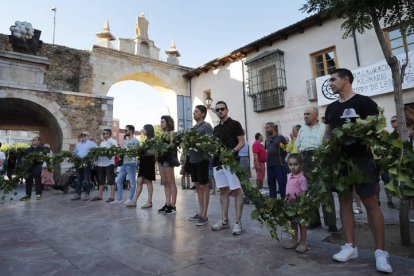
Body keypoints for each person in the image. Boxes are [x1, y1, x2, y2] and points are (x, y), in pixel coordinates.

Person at [324, 68, 392, 273]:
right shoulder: (331, 108)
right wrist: (325, 153)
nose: (330, 83)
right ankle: (350, 247)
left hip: (362, 160)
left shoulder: (365, 102)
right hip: (340, 162)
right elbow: (327, 134)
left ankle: (381, 253)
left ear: (346, 80)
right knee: (344, 202)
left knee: (371, 203)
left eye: (333, 79)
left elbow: (377, 129)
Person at [296, 107, 338, 232]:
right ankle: (314, 221)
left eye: (308, 114)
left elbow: (329, 144)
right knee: (308, 191)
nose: (305, 116)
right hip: (305, 159)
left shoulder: (324, 127)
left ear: (316, 115)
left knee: (324, 190)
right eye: (304, 114)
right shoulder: (302, 129)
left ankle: (331, 223)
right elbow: (298, 145)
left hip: (320, 158)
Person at [211, 101, 245, 235]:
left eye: (222, 109)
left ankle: (238, 222)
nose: (220, 111)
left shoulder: (235, 124)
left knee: (237, 192)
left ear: (227, 110)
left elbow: (241, 142)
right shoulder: (216, 129)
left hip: (231, 162)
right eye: (217, 110)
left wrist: (232, 152)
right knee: (223, 191)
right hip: (217, 163)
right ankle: (224, 221)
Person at [187, 105, 213, 226]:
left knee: (204, 186)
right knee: (198, 186)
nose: (194, 113)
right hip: (193, 160)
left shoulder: (206, 126)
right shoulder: (193, 127)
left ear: (203, 114)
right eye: (194, 112)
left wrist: (196, 141)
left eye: (196, 112)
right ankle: (200, 211)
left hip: (202, 159)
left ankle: (204, 215)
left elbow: (209, 142)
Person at [283, 153, 308, 253]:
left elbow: (303, 193)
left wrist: (301, 205)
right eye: (290, 164)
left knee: (302, 224)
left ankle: (303, 242)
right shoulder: (288, 176)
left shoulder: (302, 179)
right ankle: (294, 240)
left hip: (299, 205)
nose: (293, 167)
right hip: (290, 205)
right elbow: (288, 190)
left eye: (295, 164)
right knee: (293, 223)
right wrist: (286, 200)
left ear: (301, 165)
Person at [127, 124, 156, 209]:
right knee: (139, 181)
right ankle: (134, 201)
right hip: (144, 162)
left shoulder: (153, 140)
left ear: (148, 130)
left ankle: (149, 202)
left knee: (148, 181)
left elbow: (154, 152)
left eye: (144, 129)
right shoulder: (147, 140)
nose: (142, 130)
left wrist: (143, 153)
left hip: (149, 162)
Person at [114, 125, 140, 205]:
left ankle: (130, 199)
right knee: (118, 180)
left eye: (126, 130)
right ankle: (119, 199)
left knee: (132, 182)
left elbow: (137, 152)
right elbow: (123, 151)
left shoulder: (136, 141)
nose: (125, 132)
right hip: (124, 163)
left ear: (131, 131)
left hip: (131, 163)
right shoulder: (125, 141)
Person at [157, 116, 178, 215]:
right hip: (161, 159)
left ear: (168, 123)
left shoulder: (172, 133)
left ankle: (173, 206)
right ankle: (167, 203)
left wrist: (165, 147)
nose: (161, 124)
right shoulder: (162, 134)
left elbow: (173, 146)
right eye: (160, 122)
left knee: (171, 182)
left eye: (163, 122)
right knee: (165, 182)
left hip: (168, 159)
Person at [92, 129, 118, 202]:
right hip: (100, 164)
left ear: (109, 134)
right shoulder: (102, 143)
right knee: (101, 180)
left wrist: (106, 152)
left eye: (104, 133)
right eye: (102, 134)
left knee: (111, 180)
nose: (103, 135)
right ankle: (100, 196)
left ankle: (112, 196)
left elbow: (115, 151)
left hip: (109, 163)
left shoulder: (113, 141)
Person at [71, 131, 98, 201]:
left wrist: (92, 157)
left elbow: (97, 150)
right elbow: (75, 152)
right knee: (79, 178)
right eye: (82, 135)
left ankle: (87, 194)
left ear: (88, 136)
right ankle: (78, 194)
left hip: (87, 162)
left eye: (84, 135)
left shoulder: (91, 143)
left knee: (86, 179)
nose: (83, 136)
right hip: (78, 163)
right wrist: (74, 158)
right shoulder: (78, 144)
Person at [264, 122, 288, 198]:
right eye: (265, 128)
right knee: (271, 184)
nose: (266, 129)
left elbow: (286, 149)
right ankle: (273, 204)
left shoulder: (280, 137)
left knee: (282, 184)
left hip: (279, 164)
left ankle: (284, 202)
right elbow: (266, 150)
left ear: (273, 128)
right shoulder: (267, 139)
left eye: (267, 128)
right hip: (269, 165)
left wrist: (281, 158)